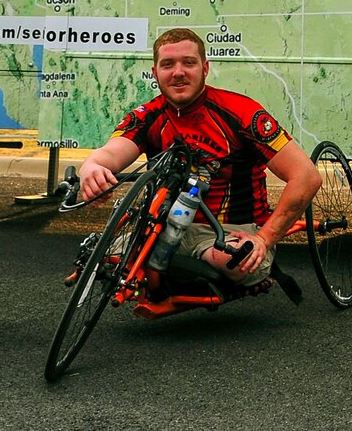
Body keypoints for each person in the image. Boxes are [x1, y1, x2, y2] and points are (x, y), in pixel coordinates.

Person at [76, 27, 321, 310]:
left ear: (205, 68)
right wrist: (91, 166)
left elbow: (306, 177)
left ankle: (215, 266)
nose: (178, 72)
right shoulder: (149, 116)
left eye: (188, 63)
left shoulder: (240, 113)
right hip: (163, 228)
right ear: (155, 73)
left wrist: (264, 239)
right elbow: (112, 153)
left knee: (233, 261)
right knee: (97, 257)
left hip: (230, 229)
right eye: (168, 65)